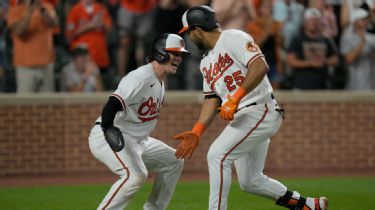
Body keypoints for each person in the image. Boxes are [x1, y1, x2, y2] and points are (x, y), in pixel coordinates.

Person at [175, 5, 328, 210]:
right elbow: (212, 99)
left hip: (260, 109)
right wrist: (197, 131)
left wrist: (235, 98)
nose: (189, 38)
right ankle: (307, 205)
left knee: (217, 155)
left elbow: (260, 66)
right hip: (244, 116)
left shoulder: (233, 37)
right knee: (250, 181)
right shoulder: (205, 62)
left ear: (198, 29)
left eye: (188, 33)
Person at [88, 33, 187, 210]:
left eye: (180, 54)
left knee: (174, 161)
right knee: (135, 176)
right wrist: (108, 128)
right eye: (174, 53)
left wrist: (139, 155)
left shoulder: (160, 83)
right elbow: (112, 104)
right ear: (160, 53)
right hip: (109, 133)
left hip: (137, 141)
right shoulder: (140, 77)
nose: (179, 58)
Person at [6, 0, 58, 93]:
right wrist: (29, 11)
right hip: (25, 67)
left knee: (47, 104)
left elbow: (54, 23)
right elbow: (20, 33)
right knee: (25, 104)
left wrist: (41, 10)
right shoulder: (15, 11)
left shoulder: (47, 7)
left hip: (46, 65)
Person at [287, 8, 339, 89]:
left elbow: (335, 59)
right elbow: (291, 61)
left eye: (316, 20)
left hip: (322, 85)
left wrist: (324, 61)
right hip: (301, 85)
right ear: (305, 22)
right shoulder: (298, 40)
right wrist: (311, 63)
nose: (313, 23)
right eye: (311, 20)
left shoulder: (326, 40)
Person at [66, 0, 113, 90]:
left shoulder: (101, 8)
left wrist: (101, 23)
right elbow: (69, 35)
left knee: (100, 94)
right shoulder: (75, 10)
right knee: (79, 92)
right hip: (81, 61)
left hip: (100, 58)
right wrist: (90, 25)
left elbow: (109, 28)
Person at [340, 8, 375, 90]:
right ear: (355, 21)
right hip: (355, 84)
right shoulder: (347, 37)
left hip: (372, 83)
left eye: (366, 19)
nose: (366, 21)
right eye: (362, 19)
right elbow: (349, 59)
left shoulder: (371, 37)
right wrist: (363, 42)